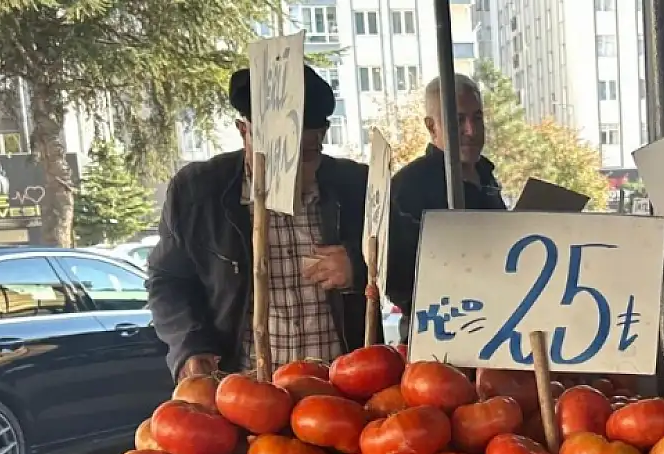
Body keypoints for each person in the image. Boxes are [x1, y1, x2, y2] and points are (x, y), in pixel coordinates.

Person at [149, 64, 368, 380]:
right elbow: (167, 279)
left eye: (304, 156)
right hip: (241, 388)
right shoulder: (198, 191)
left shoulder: (355, 185)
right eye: (274, 156)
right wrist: (191, 344)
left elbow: (402, 266)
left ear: (322, 137)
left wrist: (358, 267)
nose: (288, 172)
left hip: (341, 386)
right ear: (243, 131)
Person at [385, 74, 507, 327]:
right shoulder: (409, 185)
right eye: (458, 120)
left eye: (478, 118)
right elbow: (395, 275)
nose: (471, 130)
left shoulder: (486, 176)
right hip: (440, 330)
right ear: (432, 127)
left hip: (499, 322)